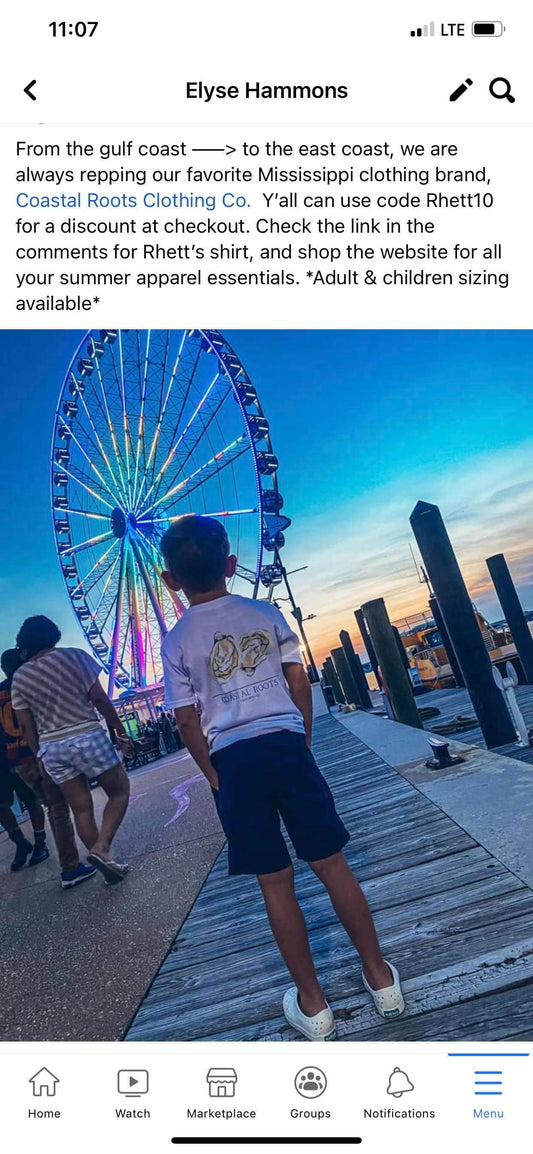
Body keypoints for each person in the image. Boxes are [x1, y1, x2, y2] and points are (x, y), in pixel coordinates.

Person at [160, 515, 404, 1041]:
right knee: (332, 865)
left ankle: (314, 1006)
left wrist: (213, 774)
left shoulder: (176, 640)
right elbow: (298, 677)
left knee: (276, 884)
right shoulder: (265, 612)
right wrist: (302, 737)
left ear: (169, 580)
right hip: (286, 746)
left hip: (233, 760)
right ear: (230, 564)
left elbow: (185, 720)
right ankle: (381, 979)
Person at [11, 617, 132, 886]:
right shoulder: (76, 657)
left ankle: (108, 864)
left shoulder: (20, 677)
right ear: (53, 634)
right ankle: (101, 848)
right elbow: (99, 698)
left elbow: (26, 724)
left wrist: (39, 754)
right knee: (119, 791)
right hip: (86, 734)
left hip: (52, 747)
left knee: (80, 809)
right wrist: (120, 731)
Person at [0, 648, 95, 887]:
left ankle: (61, 860)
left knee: (52, 807)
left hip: (16, 762)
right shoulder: (26, 686)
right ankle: (76, 863)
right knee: (64, 807)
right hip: (38, 754)